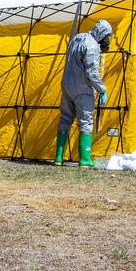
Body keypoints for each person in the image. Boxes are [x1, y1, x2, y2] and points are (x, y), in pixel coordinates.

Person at [55, 20, 113, 168]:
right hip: (82, 88)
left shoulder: (77, 38)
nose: (106, 42)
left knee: (65, 118)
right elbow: (91, 73)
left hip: (67, 85)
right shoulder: (92, 47)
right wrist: (101, 89)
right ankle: (85, 159)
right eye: (106, 37)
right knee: (85, 121)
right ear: (101, 34)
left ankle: (58, 157)